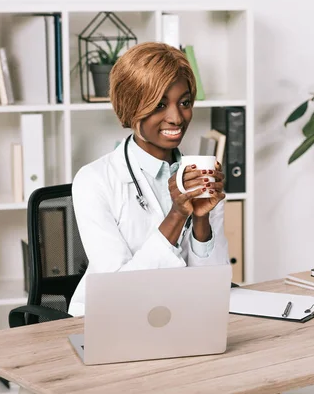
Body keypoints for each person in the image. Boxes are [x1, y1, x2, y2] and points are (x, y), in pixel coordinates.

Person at [68, 42, 230, 317]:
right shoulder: (93, 181)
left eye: (185, 103)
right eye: (159, 105)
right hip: (110, 319)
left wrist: (202, 219)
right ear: (131, 107)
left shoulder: (199, 175)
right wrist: (177, 215)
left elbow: (214, 287)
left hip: (183, 317)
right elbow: (119, 290)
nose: (176, 118)